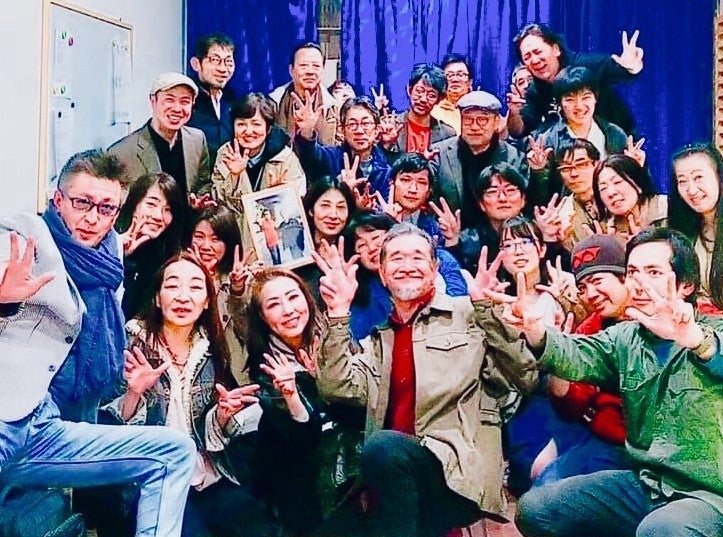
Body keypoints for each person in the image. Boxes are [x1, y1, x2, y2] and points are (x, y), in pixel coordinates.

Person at [0, 149, 196, 536]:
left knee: (174, 451)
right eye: (82, 203)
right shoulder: (24, 238)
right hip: (5, 418)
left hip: (45, 427)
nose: (93, 218)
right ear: (58, 201)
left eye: (106, 208)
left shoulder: (108, 260)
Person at [314, 223, 539, 537]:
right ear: (382, 273)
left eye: (418, 257)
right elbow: (337, 388)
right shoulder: (380, 339)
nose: (407, 266)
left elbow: (525, 377)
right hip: (392, 473)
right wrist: (338, 313)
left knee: (383, 447)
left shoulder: (470, 314)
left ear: (434, 269)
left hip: (456, 474)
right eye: (397, 258)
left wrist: (489, 313)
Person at [512, 227, 723, 537]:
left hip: (707, 494)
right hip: (647, 484)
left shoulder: (712, 328)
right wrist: (536, 332)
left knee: (661, 529)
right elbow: (576, 353)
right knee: (536, 510)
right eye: (633, 272)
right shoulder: (625, 336)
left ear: (686, 284)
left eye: (653, 272)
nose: (639, 283)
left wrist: (696, 341)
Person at [101, 252, 278, 537]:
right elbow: (109, 432)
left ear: (207, 301)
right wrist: (133, 393)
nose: (183, 297)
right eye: (172, 286)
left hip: (206, 473)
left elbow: (207, 429)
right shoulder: (129, 345)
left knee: (256, 527)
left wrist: (221, 416)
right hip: (154, 478)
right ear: (157, 298)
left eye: (195, 287)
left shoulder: (211, 349)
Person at [243, 268, 327, 536]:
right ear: (263, 317)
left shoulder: (333, 341)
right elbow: (305, 442)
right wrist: (292, 395)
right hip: (299, 485)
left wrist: (324, 377)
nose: (288, 310)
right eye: (274, 305)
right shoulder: (266, 369)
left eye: (293, 297)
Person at [344, 209, 468, 341]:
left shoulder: (440, 259)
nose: (372, 248)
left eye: (376, 238)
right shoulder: (361, 294)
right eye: (362, 245)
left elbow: (458, 309)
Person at [507, 23, 644, 138]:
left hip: (615, 144)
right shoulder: (534, 90)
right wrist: (514, 112)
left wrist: (631, 67)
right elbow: (520, 130)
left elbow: (620, 71)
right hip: (570, 154)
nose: (535, 60)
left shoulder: (585, 65)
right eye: (527, 57)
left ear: (556, 49)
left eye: (538, 52)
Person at [108, 72, 212, 203]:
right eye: (169, 100)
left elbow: (203, 184)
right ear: (153, 101)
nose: (177, 109)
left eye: (185, 101)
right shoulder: (121, 153)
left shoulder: (197, 140)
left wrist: (199, 201)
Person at [432, 91, 526, 227]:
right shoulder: (438, 154)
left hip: (501, 232)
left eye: (482, 120)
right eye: (468, 120)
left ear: (496, 122)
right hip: (450, 232)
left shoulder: (514, 157)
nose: (475, 127)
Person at [189, 206, 251, 383]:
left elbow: (248, 332)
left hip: (236, 377)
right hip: (197, 375)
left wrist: (237, 290)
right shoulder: (179, 276)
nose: (206, 246)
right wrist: (200, 279)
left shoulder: (243, 281)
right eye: (199, 237)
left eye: (215, 239)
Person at [116, 172, 186, 319]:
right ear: (134, 204)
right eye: (151, 204)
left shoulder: (170, 258)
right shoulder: (107, 241)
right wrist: (120, 255)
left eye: (168, 210)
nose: (158, 216)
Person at [293, 95, 391, 198]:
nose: (359, 131)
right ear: (342, 130)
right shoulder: (330, 157)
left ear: (377, 129)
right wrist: (307, 131)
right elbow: (309, 154)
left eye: (365, 123)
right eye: (352, 124)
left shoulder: (385, 171)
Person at [669, 142, 723, 314]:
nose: (691, 190)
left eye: (698, 177)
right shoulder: (681, 232)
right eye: (682, 181)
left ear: (719, 177)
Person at [538, 66, 627, 160]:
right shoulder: (549, 140)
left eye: (585, 97)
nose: (579, 106)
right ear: (560, 104)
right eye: (570, 100)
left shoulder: (614, 133)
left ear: (595, 98)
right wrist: (538, 167)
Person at [269, 42, 339, 146]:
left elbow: (338, 150)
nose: (310, 71)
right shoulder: (273, 104)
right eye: (303, 66)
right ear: (291, 70)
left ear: (322, 70)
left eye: (316, 66)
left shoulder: (334, 108)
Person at [381, 63, 456, 158]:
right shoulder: (390, 126)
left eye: (431, 95)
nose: (423, 99)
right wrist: (386, 143)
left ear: (439, 99)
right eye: (419, 91)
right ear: (409, 90)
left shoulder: (447, 134)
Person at [188, 32, 237, 164]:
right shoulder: (186, 101)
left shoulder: (234, 101)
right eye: (215, 60)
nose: (223, 69)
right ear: (196, 64)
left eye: (228, 61)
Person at [593, 154, 667, 240]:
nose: (611, 193)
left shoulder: (669, 208)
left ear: (638, 184)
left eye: (617, 182)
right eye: (603, 188)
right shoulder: (606, 231)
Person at [431, 53, 474, 134]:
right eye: (450, 75)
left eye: (460, 75)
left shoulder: (479, 109)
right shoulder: (433, 111)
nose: (455, 79)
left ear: (470, 82)